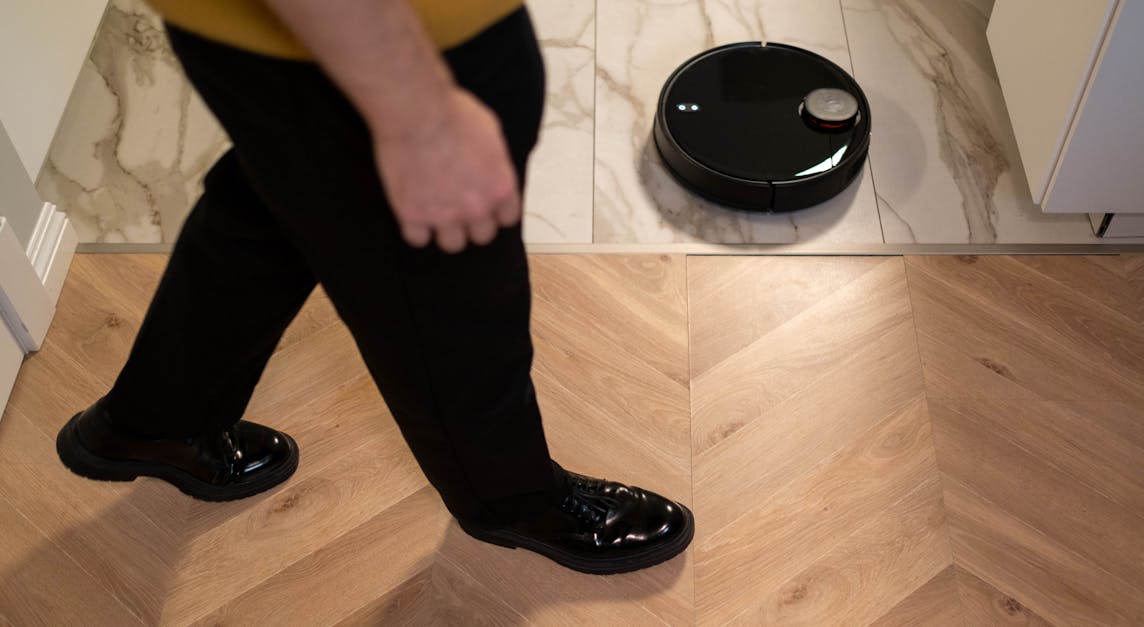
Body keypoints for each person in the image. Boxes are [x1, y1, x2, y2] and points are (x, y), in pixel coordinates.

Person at [54, 0, 692, 575]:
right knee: (448, 278)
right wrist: (419, 115)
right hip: (372, 41)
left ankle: (158, 418)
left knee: (279, 201)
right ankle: (510, 497)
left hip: (293, 36)